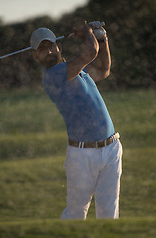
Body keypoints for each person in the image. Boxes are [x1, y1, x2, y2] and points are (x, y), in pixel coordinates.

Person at [30, 21, 123, 220]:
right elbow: (90, 52)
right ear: (35, 56)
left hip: (111, 148)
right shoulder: (52, 76)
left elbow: (104, 69)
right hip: (82, 155)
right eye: (41, 49)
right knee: (76, 214)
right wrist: (88, 32)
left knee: (109, 214)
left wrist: (102, 38)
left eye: (50, 46)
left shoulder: (78, 71)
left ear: (59, 46)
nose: (47, 51)